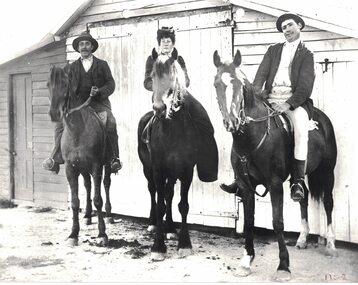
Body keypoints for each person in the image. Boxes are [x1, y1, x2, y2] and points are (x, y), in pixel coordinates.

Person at [221, 13, 314, 202]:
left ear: (299, 25)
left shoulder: (306, 54)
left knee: (301, 130)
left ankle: (297, 180)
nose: (286, 30)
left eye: (289, 25)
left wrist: (288, 104)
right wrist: (255, 97)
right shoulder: (273, 50)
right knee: (243, 125)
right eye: (283, 28)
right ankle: (239, 178)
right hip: (269, 99)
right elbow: (260, 76)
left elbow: (305, 86)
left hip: (293, 103)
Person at [143, 26, 218, 182]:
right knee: (147, 123)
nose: (166, 44)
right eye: (163, 41)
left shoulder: (179, 59)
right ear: (159, 43)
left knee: (204, 121)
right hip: (159, 94)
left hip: (179, 94)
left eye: (169, 41)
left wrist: (178, 84)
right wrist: (157, 87)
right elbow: (146, 82)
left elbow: (187, 80)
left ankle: (207, 170)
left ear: (173, 43)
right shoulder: (152, 59)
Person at [42, 31, 122, 174]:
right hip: (78, 107)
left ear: (92, 47)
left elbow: (111, 84)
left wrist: (99, 91)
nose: (84, 47)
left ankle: (114, 158)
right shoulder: (72, 67)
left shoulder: (102, 65)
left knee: (111, 122)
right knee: (60, 125)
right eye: (81, 44)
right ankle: (56, 157)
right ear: (78, 48)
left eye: (87, 44)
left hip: (98, 105)